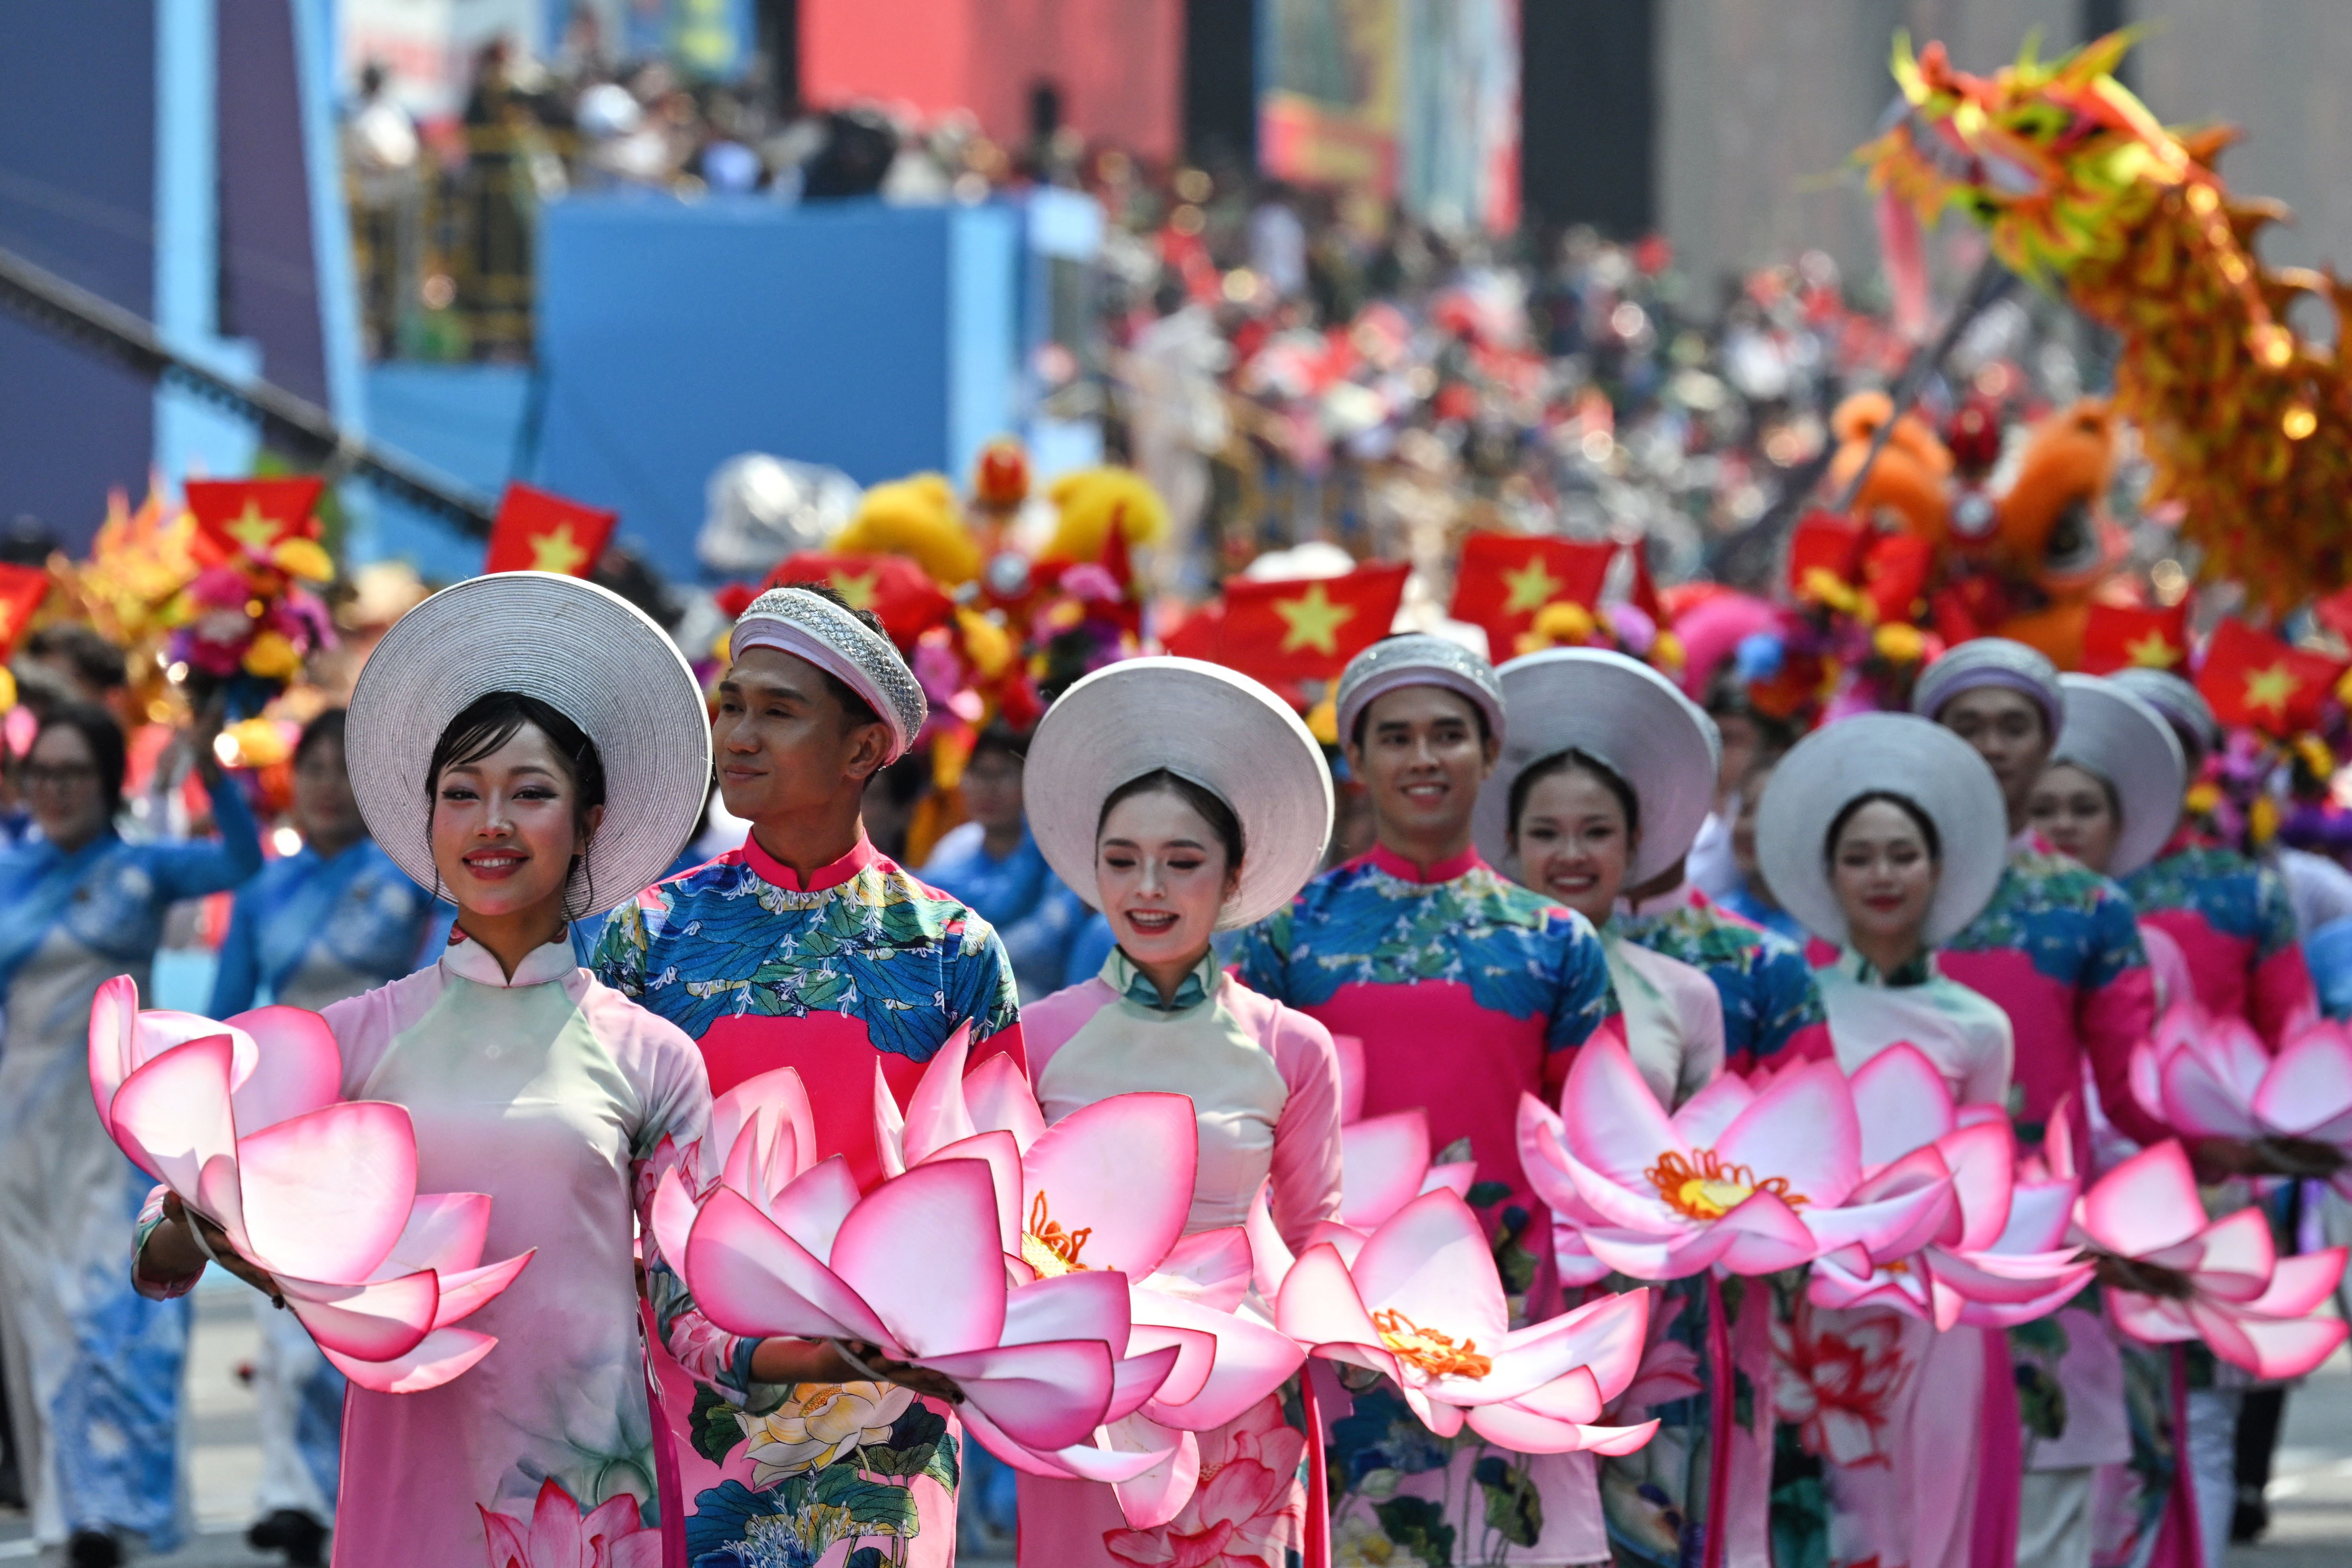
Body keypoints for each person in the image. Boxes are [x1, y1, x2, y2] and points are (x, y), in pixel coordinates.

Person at [591, 584, 1022, 1563]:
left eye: (777, 712)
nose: (738, 733)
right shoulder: (647, 934)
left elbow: (996, 1184)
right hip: (692, 1375)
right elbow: (604, 1168)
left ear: (864, 750)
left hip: (887, 1400)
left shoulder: (953, 948)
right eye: (732, 705)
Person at [1235, 633, 1613, 1566]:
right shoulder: (1290, 933)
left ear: (1489, 754)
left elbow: (1591, 1145)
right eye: (1394, 736)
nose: (1422, 757)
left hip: (1508, 1305)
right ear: (1356, 760)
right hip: (1338, 1310)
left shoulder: (1559, 942)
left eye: (1447, 734)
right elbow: (1255, 1124)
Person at [1013, 657, 1343, 1565]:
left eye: (1182, 862)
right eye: (1122, 861)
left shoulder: (1290, 1046)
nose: (1147, 888)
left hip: (1241, 1393)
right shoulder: (1037, 1036)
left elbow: (1318, 1232)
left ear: (1233, 874)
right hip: (1086, 1393)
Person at [1911, 638, 2162, 1568]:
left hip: (2044, 1238)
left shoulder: (2087, 905)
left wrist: (2242, 1150)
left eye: (2012, 725)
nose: (1989, 745)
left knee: (2049, 1501)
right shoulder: (1882, 881)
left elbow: (2136, 1092)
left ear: (2046, 741)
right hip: (1900, 1243)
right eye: (1965, 725)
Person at [0, 697, 259, 1566]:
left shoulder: (145, 868)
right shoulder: (8, 871)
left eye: (73, 773)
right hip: (22, 1130)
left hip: (112, 1124)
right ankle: (75, 1511)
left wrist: (209, 770)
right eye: (42, 773)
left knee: (111, 1314)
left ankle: (131, 1504)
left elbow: (239, 858)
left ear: (107, 779)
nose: (54, 789)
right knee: (41, 1321)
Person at [1755, 712, 2015, 1568]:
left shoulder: (1979, 1025)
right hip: (1809, 1296)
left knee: (1924, 1511)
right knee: (1824, 1514)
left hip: (1933, 1311)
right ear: (1828, 873)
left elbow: (1983, 1178)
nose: (1881, 874)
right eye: (1859, 856)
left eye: (1901, 855)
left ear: (1936, 869)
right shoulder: (1794, 996)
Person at [205, 708, 433, 1564]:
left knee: (369, 1320)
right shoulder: (265, 892)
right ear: (289, 784)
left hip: (385, 1117)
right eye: (313, 770)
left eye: (345, 770)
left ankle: (364, 1500)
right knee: (287, 1323)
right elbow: (231, 1010)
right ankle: (290, 1497)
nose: (328, 786)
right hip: (286, 1123)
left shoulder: (412, 877)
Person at [1477, 647, 1725, 1107]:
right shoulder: (1468, 979)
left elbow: (1702, 1152)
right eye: (1546, 833)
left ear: (1633, 841)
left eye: (1596, 832)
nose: (1571, 855)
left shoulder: (1687, 993)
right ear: (1512, 842)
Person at [921, 722, 1091, 1002]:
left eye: (1004, 773)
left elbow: (1047, 941)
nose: (990, 788)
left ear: (1032, 782)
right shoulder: (953, 851)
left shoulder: (1061, 857)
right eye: (979, 773)